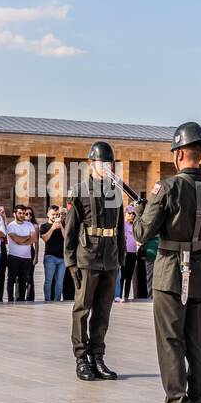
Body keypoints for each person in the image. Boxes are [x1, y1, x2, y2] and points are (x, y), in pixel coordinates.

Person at [132, 123, 201, 403]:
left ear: (178, 154)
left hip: (169, 274)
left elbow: (141, 235)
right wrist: (200, 259)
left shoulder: (167, 188)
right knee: (197, 345)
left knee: (170, 343)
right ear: (199, 155)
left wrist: (139, 213)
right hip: (200, 276)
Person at [64, 141, 130, 380]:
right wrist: (71, 263)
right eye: (102, 162)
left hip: (110, 259)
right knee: (82, 310)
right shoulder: (79, 191)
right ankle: (81, 358)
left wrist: (120, 256)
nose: (106, 166)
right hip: (87, 257)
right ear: (90, 164)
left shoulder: (115, 191)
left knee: (103, 311)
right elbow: (70, 231)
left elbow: (120, 229)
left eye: (109, 163)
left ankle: (97, 356)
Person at [5, 205, 37, 302]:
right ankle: (11, 299)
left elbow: (34, 239)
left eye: (23, 213)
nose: (22, 215)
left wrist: (22, 240)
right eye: (20, 213)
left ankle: (21, 299)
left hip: (26, 257)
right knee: (12, 279)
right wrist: (28, 238)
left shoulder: (29, 225)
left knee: (24, 279)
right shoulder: (11, 226)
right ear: (15, 214)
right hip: (13, 256)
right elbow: (16, 239)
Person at [40, 205, 67, 301]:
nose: (55, 216)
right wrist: (52, 228)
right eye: (53, 214)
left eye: (57, 214)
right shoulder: (44, 226)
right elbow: (45, 239)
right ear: (48, 214)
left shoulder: (62, 225)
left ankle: (57, 300)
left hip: (62, 258)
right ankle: (47, 300)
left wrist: (61, 228)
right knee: (48, 281)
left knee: (59, 282)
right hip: (50, 257)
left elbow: (67, 239)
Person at [116, 205, 139, 302]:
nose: (132, 215)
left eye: (134, 213)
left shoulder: (135, 226)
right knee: (122, 275)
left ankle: (126, 296)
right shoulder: (123, 225)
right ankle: (119, 295)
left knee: (129, 276)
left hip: (133, 253)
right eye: (130, 213)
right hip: (124, 253)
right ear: (125, 213)